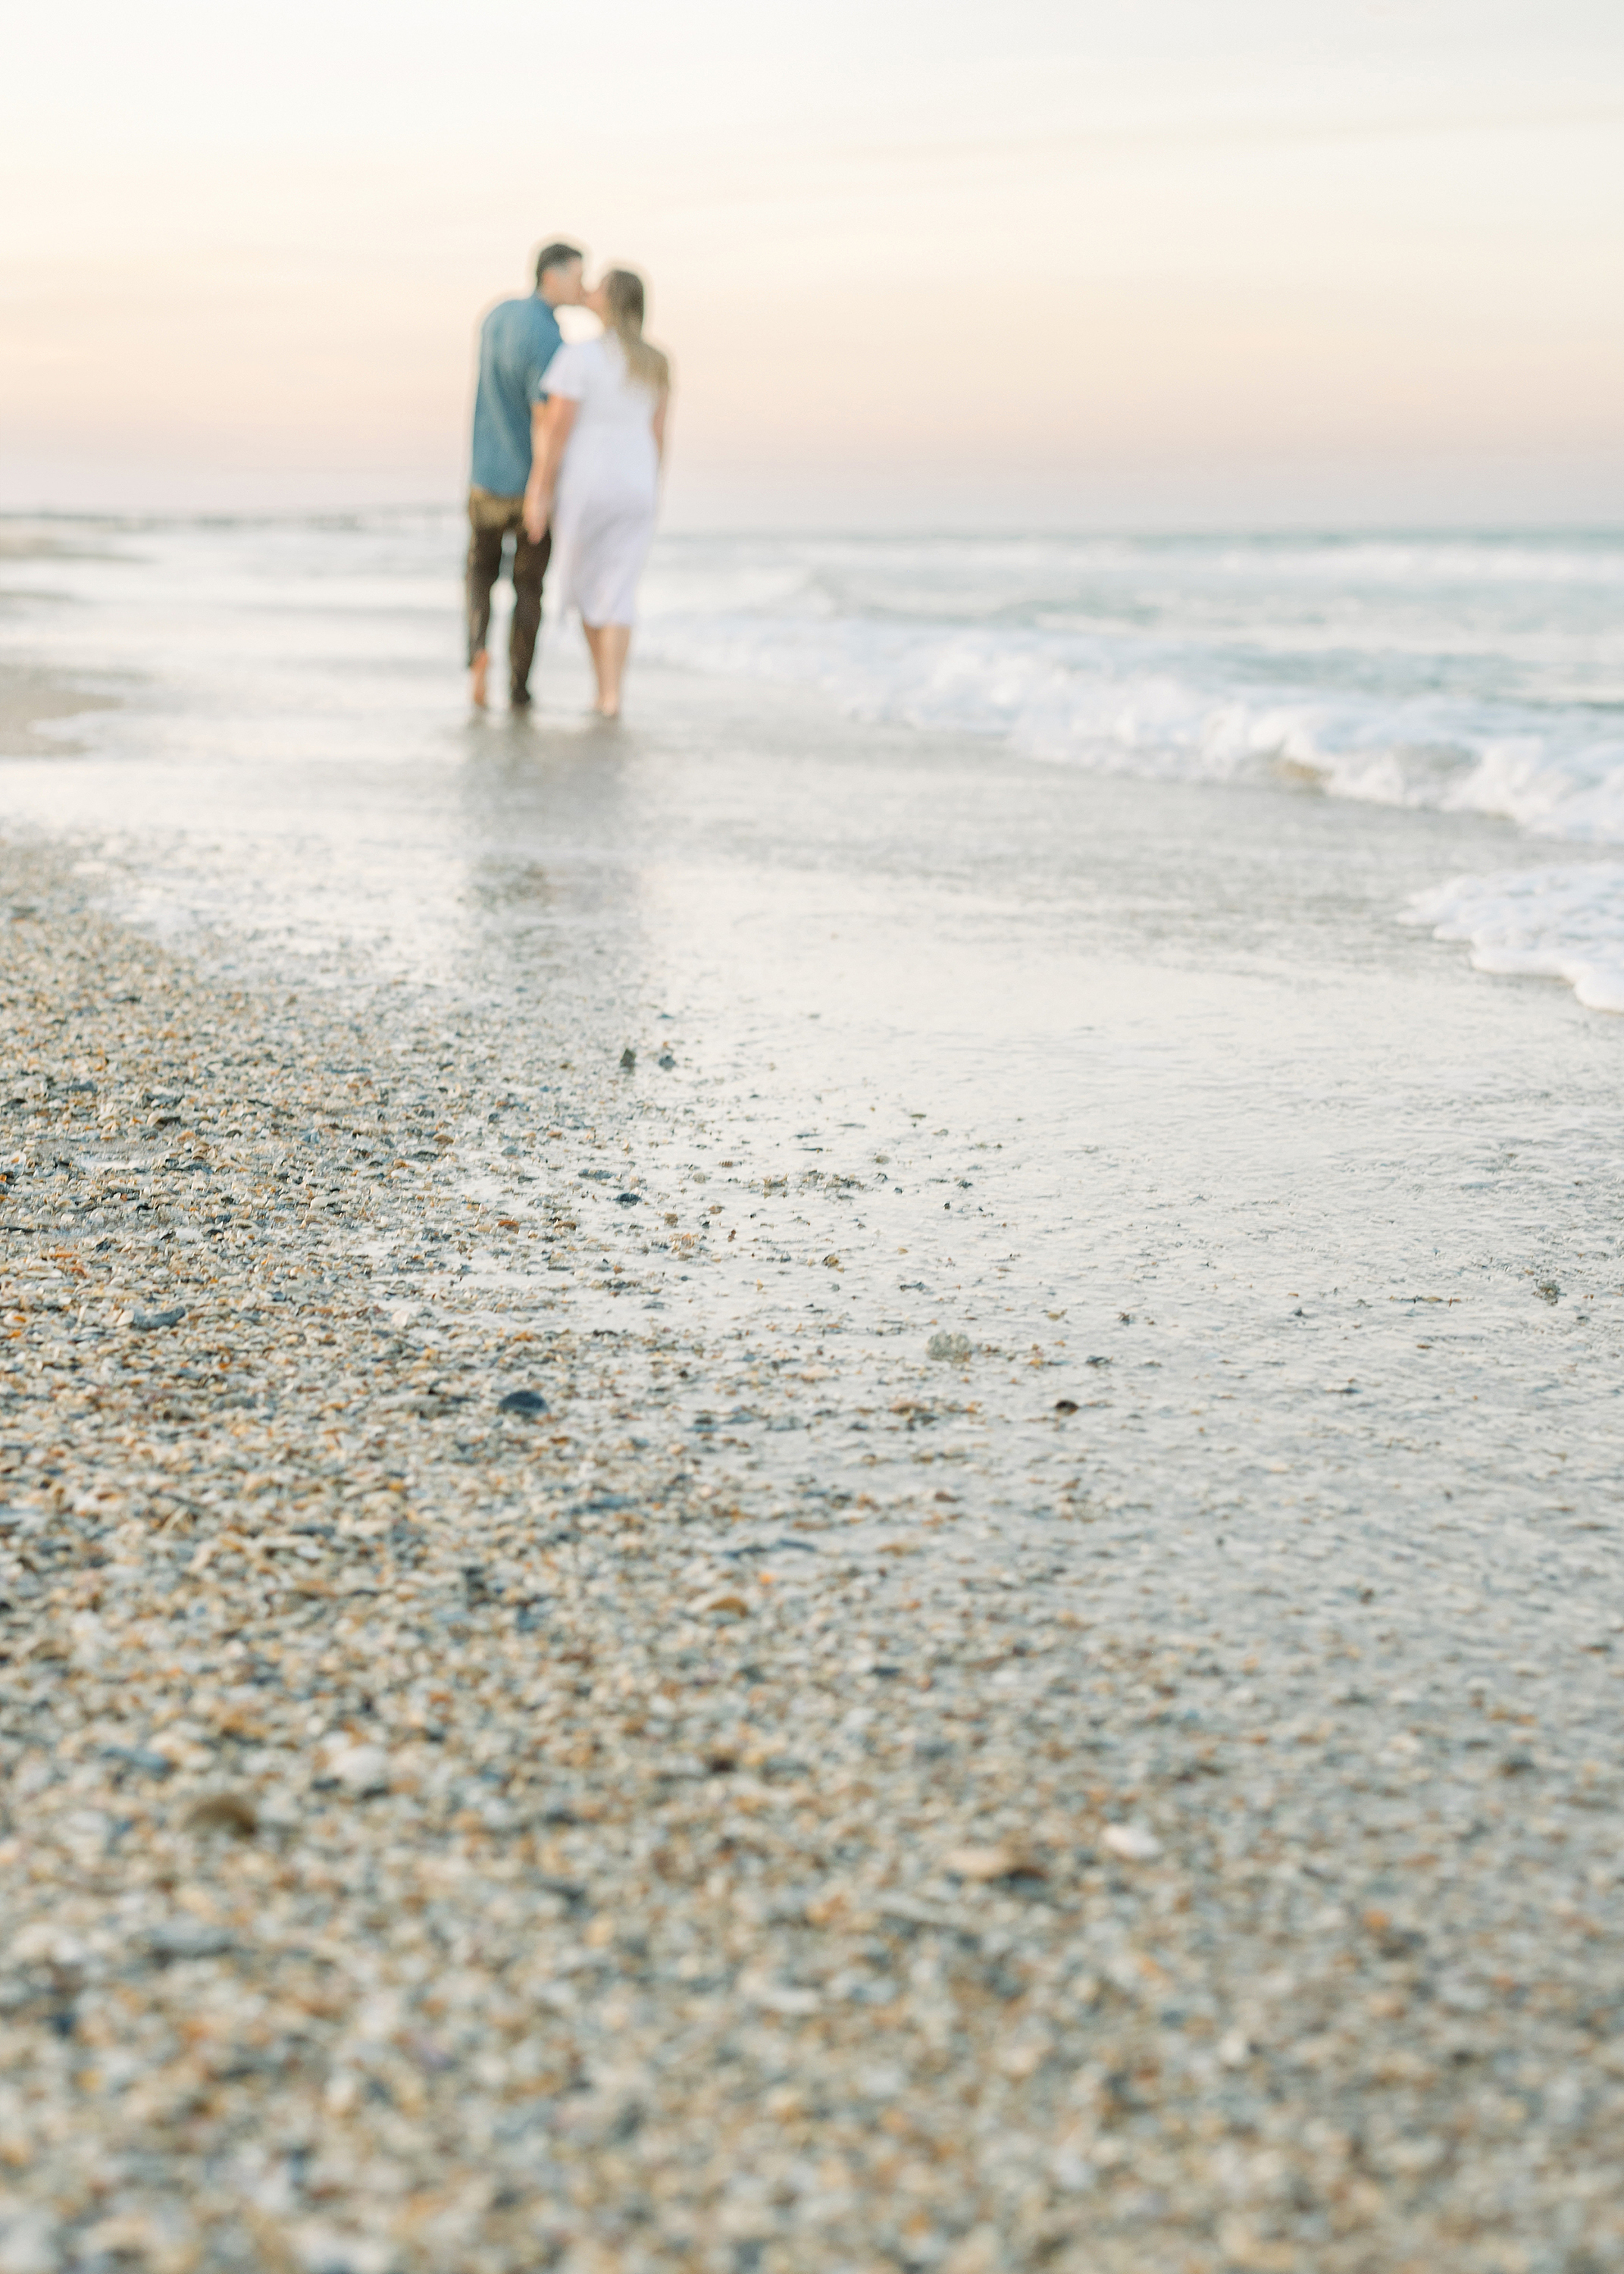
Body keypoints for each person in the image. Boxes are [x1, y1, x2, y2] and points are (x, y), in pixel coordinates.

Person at [524, 268, 671, 720]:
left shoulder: (579, 356)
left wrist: (539, 489)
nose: (590, 292)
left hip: (590, 480)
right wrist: (653, 489)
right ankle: (613, 694)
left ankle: (601, 689)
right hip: (638, 482)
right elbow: (659, 434)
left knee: (587, 584)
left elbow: (557, 429)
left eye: (599, 287)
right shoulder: (656, 362)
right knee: (621, 588)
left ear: (611, 302)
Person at [465, 241, 585, 711]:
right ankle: (518, 687)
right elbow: (545, 420)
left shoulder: (495, 315)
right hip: (526, 481)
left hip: (483, 472)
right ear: (551, 276)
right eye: (578, 274)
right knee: (528, 587)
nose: (584, 285)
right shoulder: (549, 339)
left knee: (479, 570)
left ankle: (477, 649)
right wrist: (543, 490)